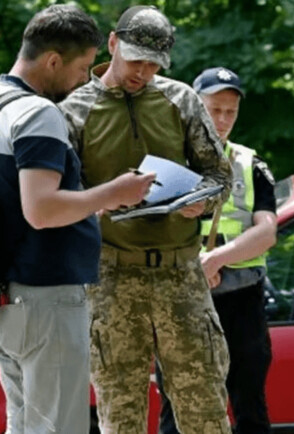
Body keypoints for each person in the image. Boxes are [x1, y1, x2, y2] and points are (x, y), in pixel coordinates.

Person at [59, 6, 234, 434]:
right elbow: (58, 198)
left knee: (206, 413)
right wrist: (100, 201)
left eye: (154, 64)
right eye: (136, 59)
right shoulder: (73, 112)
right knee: (120, 417)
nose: (143, 72)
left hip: (181, 273)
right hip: (111, 278)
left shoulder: (181, 100)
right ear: (112, 43)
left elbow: (220, 176)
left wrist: (200, 202)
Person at [0, 5, 155, 433]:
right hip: (47, 298)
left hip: (12, 300)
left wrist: (90, 205)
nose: (85, 79)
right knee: (59, 427)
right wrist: (115, 192)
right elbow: (41, 210)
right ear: (53, 60)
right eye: (83, 67)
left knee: (23, 423)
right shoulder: (38, 113)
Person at [157, 67, 277, 434]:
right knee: (177, 407)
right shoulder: (168, 163)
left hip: (242, 300)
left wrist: (216, 259)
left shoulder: (250, 164)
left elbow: (267, 232)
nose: (223, 120)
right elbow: (148, 230)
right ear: (195, 108)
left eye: (230, 112)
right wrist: (195, 265)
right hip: (182, 297)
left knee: (249, 408)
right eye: (215, 110)